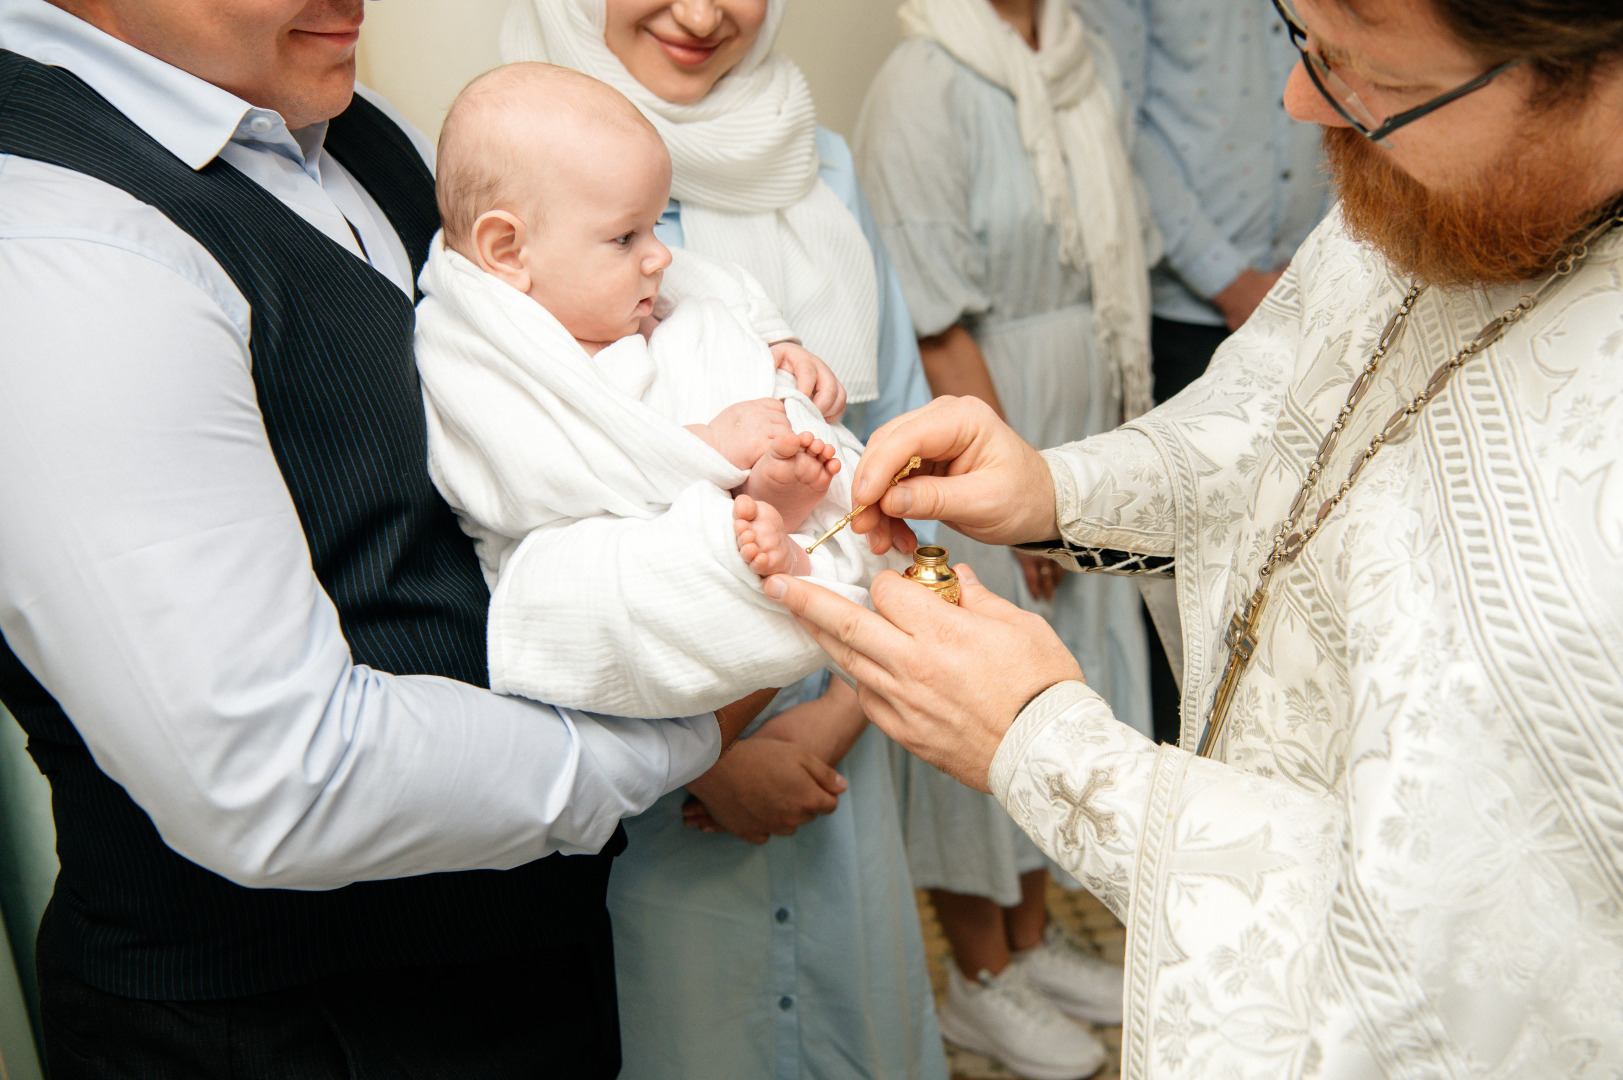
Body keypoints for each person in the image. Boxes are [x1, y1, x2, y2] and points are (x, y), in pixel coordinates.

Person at [767, 0, 1623, 1075]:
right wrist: (1052, 487)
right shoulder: (1426, 178)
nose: (1300, 98)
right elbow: (1273, 421)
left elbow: (1451, 979)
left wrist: (1046, 744)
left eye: (1372, 76)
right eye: (1299, 37)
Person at [0, 0, 762, 1075]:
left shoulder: (358, 127)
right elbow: (276, 774)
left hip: (522, 955)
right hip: (285, 1025)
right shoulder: (48, 235)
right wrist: (687, 731)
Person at [501, 1, 949, 1078]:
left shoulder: (821, 169)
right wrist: (719, 750)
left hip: (848, 724)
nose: (703, 14)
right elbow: (513, 530)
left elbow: (906, 473)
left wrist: (831, 719)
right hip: (645, 786)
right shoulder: (508, 176)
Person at [416, 62, 902, 720]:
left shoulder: (646, 296)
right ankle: (752, 548)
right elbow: (535, 475)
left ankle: (777, 528)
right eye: (626, 237)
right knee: (610, 572)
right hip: (595, 535)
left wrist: (773, 346)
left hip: (720, 481)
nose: (660, 255)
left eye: (653, 227)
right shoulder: (473, 341)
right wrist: (708, 447)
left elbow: (722, 293)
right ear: (507, 249)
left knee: (777, 411)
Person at [853, 0, 1146, 1075]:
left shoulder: (1080, 56)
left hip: (1089, 413)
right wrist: (1021, 490)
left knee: (1066, 685)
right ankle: (978, 975)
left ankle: (1028, 939)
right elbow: (935, 319)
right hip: (981, 423)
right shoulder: (922, 87)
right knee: (984, 694)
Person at [1076, 0, 1331, 741]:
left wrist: (1325, 264)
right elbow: (1120, 122)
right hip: (1189, 309)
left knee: (1297, 554)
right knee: (1191, 569)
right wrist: (1231, 282)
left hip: (1312, 288)